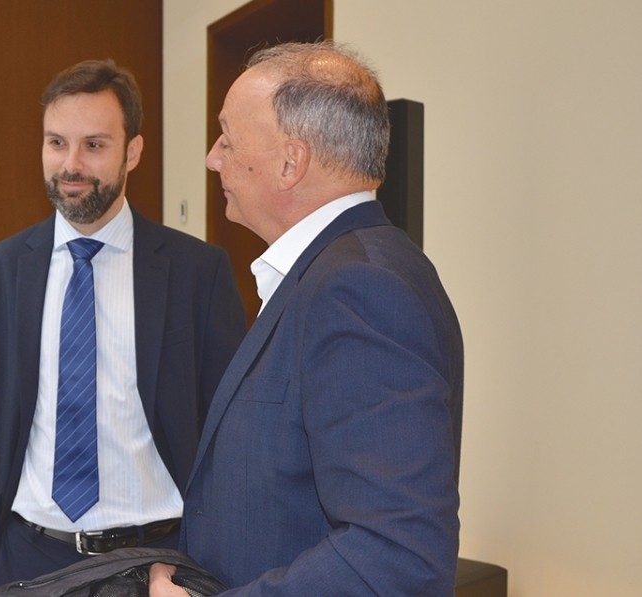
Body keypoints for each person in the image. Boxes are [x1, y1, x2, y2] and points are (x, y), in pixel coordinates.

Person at [148, 42, 464, 596]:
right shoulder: (339, 270)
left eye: (228, 137)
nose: (212, 157)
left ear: (291, 163)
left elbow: (397, 555)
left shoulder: (358, 288)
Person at [0, 59, 247, 591]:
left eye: (94, 145)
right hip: (25, 561)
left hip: (156, 563)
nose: (71, 164)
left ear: (132, 151)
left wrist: (197, 558)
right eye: (56, 143)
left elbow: (233, 433)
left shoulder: (198, 272)